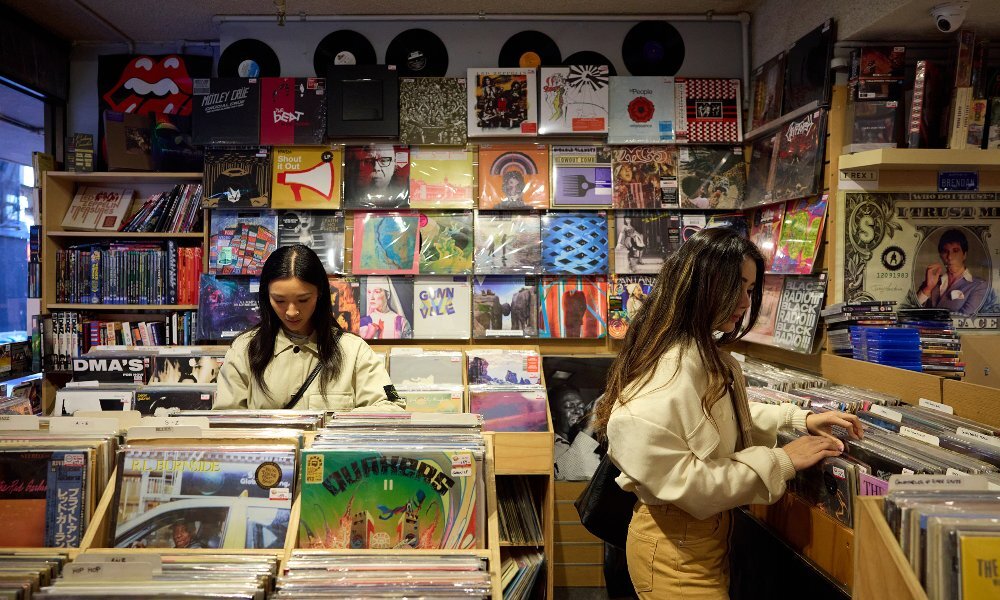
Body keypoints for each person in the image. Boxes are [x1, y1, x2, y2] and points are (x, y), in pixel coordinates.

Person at [592, 228, 863, 599]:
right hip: (677, 550)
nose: (744, 301)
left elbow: (713, 422)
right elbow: (690, 482)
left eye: (750, 289)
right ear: (700, 285)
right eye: (735, 285)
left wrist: (795, 419)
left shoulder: (699, 353)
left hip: (700, 539)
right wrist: (780, 459)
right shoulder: (670, 370)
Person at [214, 244, 404, 411]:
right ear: (267, 297)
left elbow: (390, 408)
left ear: (320, 293)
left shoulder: (353, 350)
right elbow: (224, 421)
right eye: (279, 300)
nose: (291, 312)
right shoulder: (244, 349)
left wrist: (337, 423)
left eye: (303, 300)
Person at [916, 228, 988, 315]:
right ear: (941, 255)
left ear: (964, 255)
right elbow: (911, 312)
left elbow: (965, 320)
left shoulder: (979, 285)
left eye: (955, 251)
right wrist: (928, 288)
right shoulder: (931, 282)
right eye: (945, 251)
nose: (949, 257)